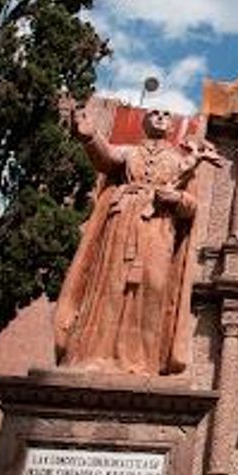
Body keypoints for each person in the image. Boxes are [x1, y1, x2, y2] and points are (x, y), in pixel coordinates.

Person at [54, 107, 202, 375]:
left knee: (154, 289)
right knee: (112, 284)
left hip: (159, 227)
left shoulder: (182, 161)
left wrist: (177, 199)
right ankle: (96, 355)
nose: (160, 117)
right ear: (144, 122)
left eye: (166, 115)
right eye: (155, 113)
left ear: (171, 127)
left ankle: (144, 361)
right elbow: (106, 157)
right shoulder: (129, 152)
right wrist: (89, 136)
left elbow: (193, 206)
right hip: (122, 221)